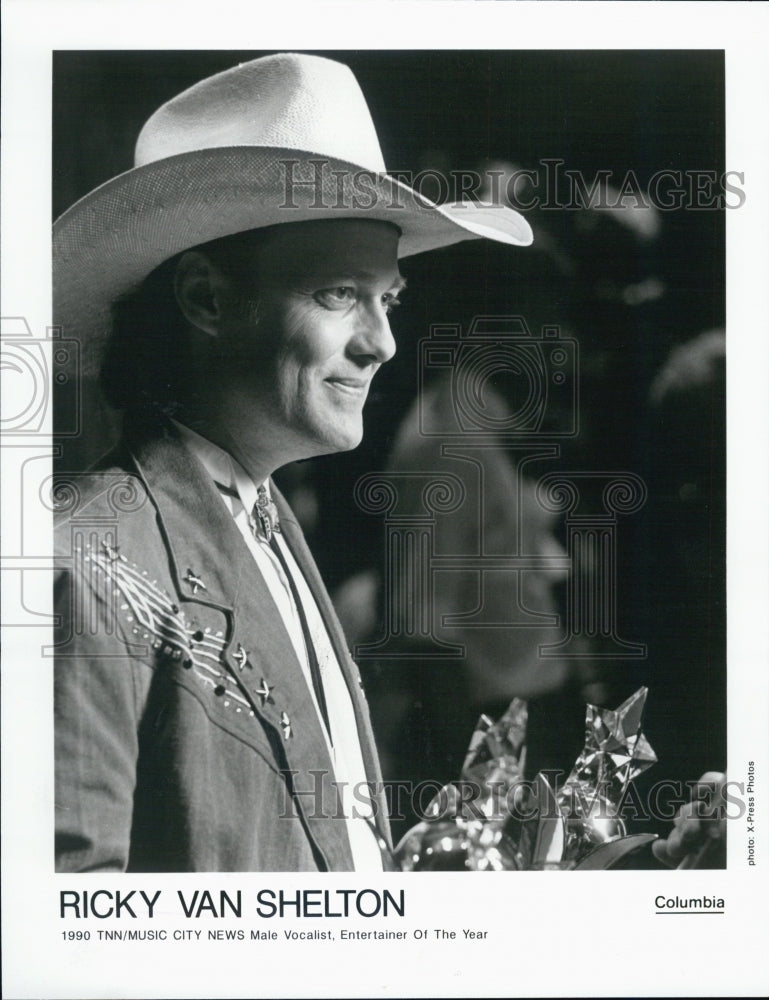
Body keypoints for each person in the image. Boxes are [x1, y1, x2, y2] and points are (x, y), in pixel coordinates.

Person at [52, 52, 724, 873]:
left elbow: (337, 868)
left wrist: (646, 874)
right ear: (205, 300)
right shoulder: (90, 552)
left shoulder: (259, 518)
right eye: (340, 294)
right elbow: (70, 924)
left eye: (390, 299)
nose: (382, 342)